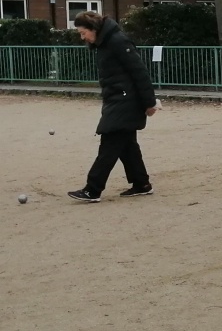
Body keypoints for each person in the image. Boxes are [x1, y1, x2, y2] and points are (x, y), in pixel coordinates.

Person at [67, 11, 158, 202]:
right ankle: (142, 184)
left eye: (84, 33)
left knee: (109, 142)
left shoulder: (118, 41)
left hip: (126, 100)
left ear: (94, 28)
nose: (82, 37)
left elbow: (139, 71)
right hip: (117, 99)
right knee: (126, 145)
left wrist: (149, 102)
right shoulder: (104, 44)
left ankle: (93, 189)